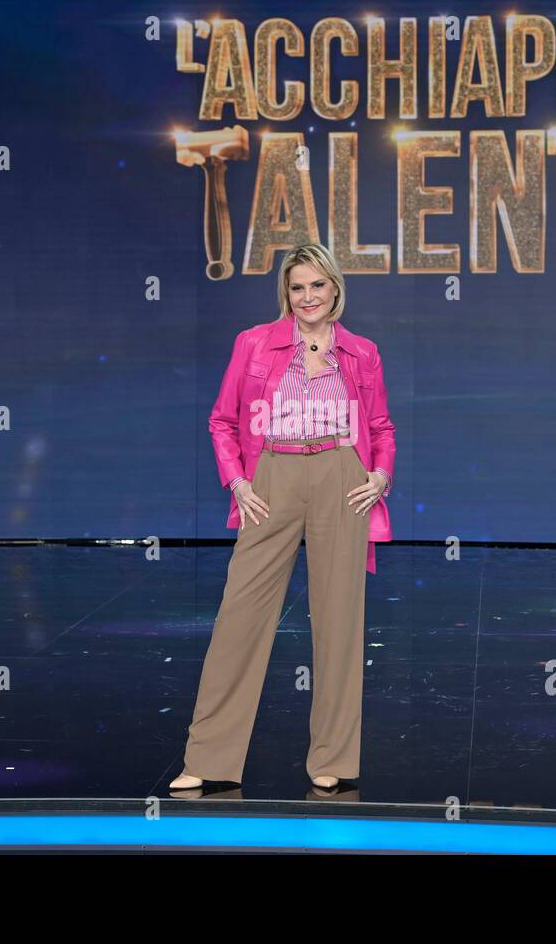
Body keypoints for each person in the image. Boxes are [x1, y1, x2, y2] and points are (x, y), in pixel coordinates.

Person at [171, 242, 396, 792]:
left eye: (317, 285)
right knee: (238, 617)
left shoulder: (362, 352)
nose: (307, 297)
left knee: (339, 621)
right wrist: (238, 480)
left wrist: (380, 475)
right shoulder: (254, 344)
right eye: (297, 287)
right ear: (286, 293)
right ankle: (208, 757)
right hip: (271, 476)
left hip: (342, 479)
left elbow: (382, 428)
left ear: (335, 289)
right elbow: (222, 421)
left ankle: (334, 757)